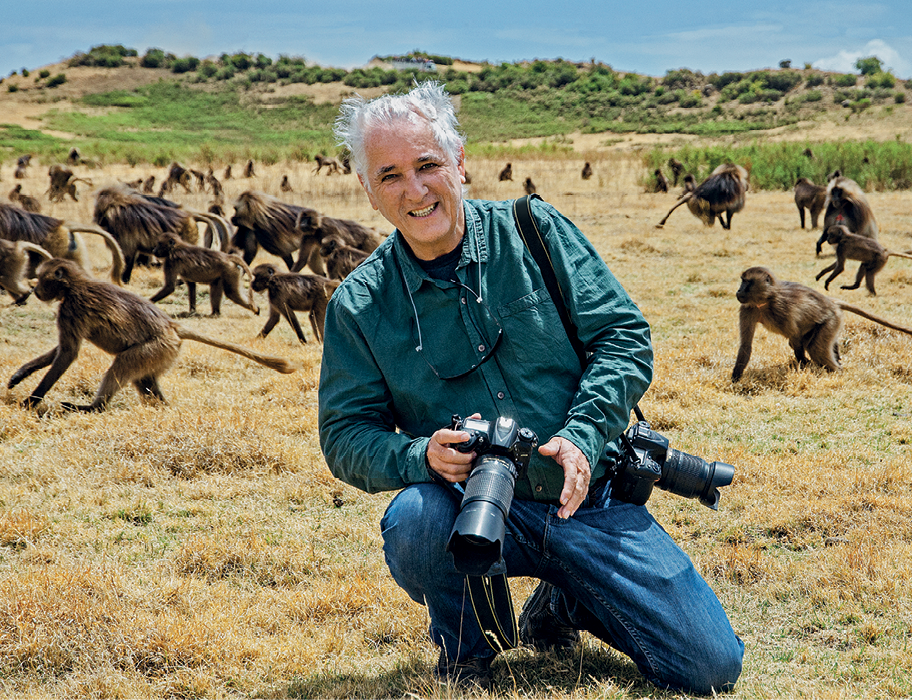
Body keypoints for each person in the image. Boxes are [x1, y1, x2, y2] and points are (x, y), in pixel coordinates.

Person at [318, 82, 743, 694]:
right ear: (366, 189)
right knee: (413, 520)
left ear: (460, 162)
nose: (414, 190)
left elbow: (624, 335)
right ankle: (468, 649)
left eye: (428, 165)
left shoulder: (533, 230)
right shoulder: (359, 304)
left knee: (710, 668)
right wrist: (420, 456)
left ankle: (566, 600)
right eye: (390, 175)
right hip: (472, 511)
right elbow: (344, 434)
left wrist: (582, 436)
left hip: (588, 499)